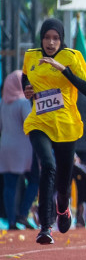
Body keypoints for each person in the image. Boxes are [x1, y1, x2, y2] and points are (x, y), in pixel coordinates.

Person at [21, 17, 86, 244]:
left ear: (61, 39)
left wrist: (62, 69)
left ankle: (63, 207)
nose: (51, 43)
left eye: (55, 38)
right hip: (39, 122)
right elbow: (25, 76)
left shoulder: (72, 57)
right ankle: (45, 226)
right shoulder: (31, 56)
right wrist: (27, 89)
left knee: (63, 183)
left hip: (66, 125)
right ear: (41, 38)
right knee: (47, 165)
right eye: (47, 38)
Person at [2, 70, 38, 231]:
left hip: (5, 145)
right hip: (22, 147)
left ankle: (11, 221)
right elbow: (28, 125)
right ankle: (23, 213)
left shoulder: (2, 102)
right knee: (35, 180)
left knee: (9, 184)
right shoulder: (23, 103)